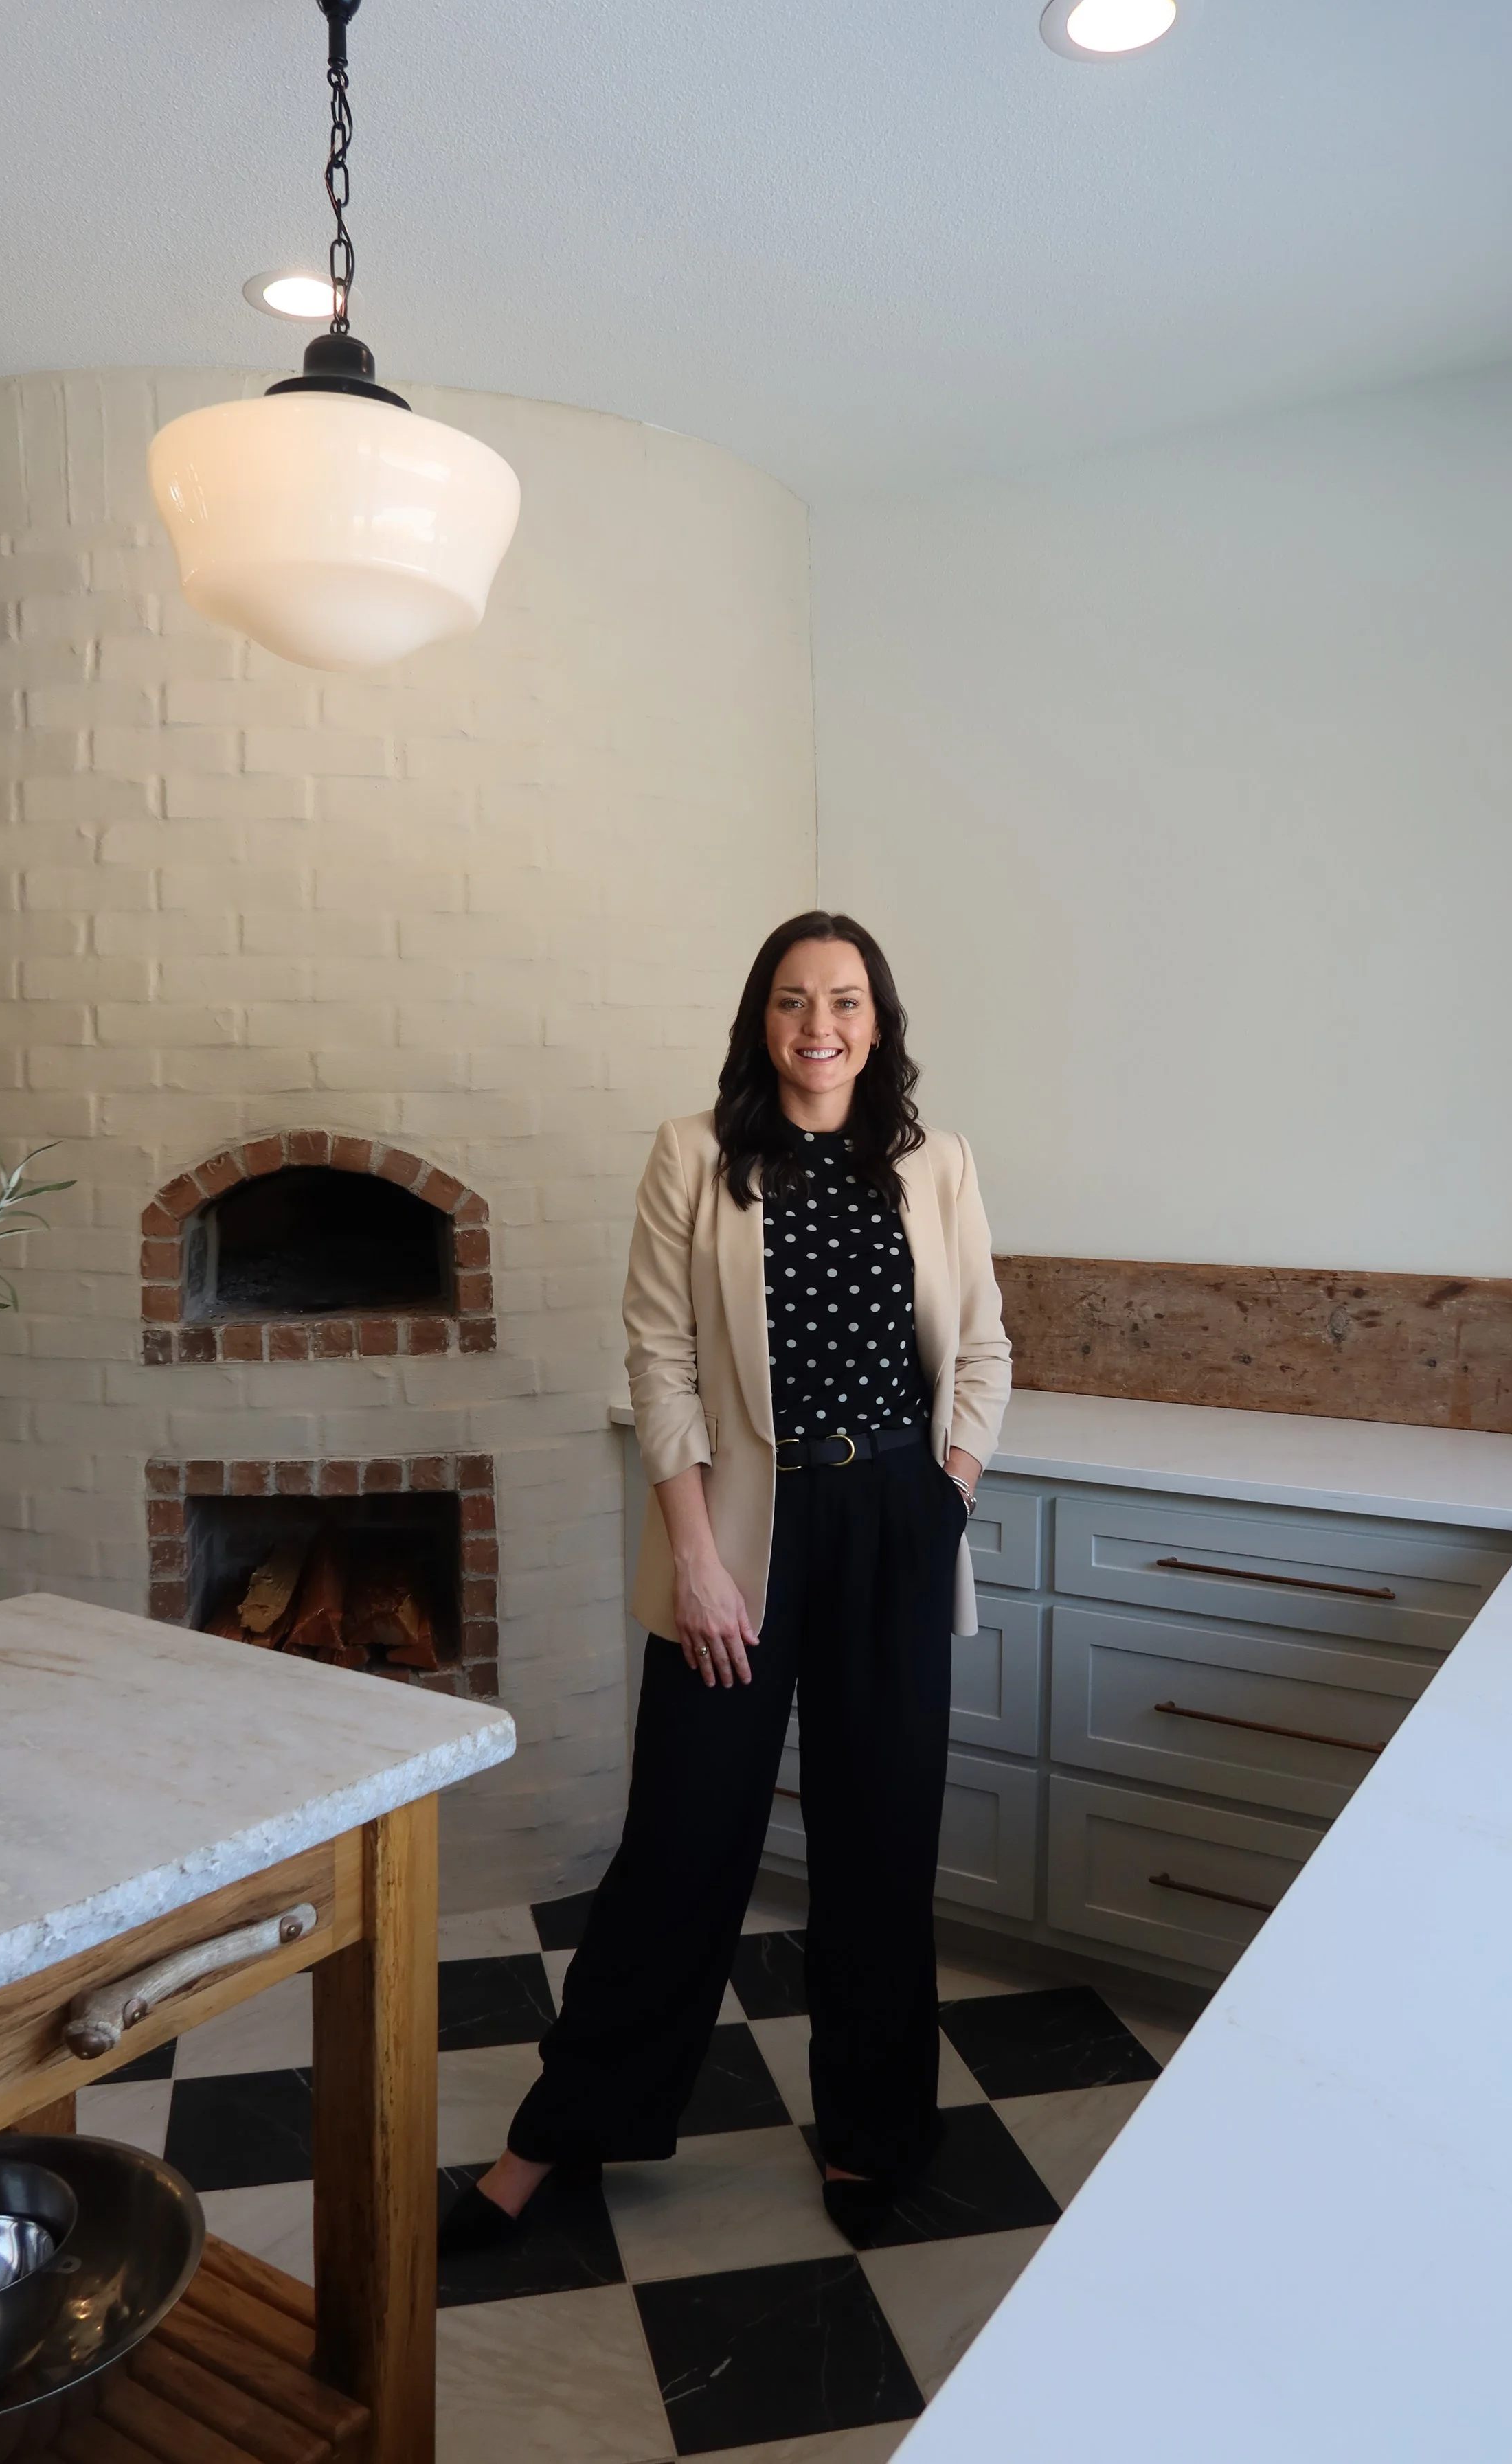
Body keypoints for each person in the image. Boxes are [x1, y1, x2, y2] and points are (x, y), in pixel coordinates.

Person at [440, 910, 1013, 2251]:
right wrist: (693, 1558)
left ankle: (875, 2134)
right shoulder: (694, 1157)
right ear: (761, 1020)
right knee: (682, 1846)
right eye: (793, 1001)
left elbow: (981, 1345)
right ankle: (556, 2138)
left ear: (879, 1023)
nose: (820, 1026)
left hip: (892, 1523)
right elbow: (658, 1363)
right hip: (740, 1537)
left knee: (881, 1848)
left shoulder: (934, 1162)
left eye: (846, 1002)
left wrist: (947, 1495)